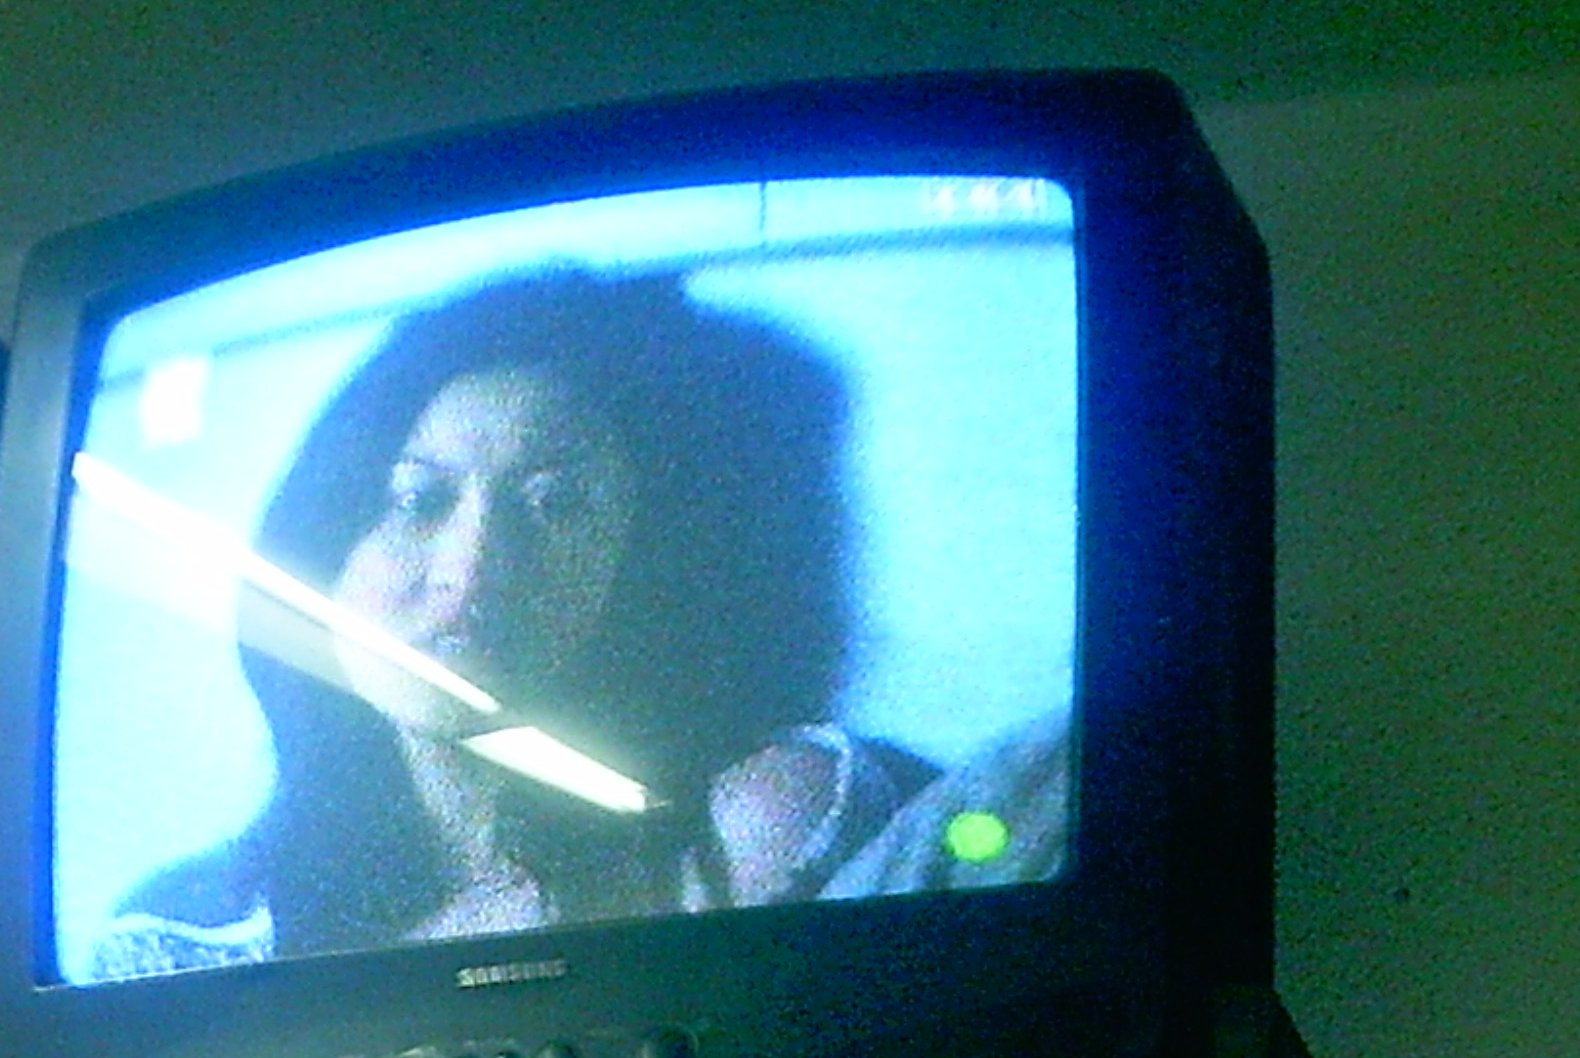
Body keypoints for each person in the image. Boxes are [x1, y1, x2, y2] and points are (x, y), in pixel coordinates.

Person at [78, 266, 1064, 981]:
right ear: (321, 540)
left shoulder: (753, 828)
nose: (471, 566)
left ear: (640, 562)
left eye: (553, 505)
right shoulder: (187, 936)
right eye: (419, 500)